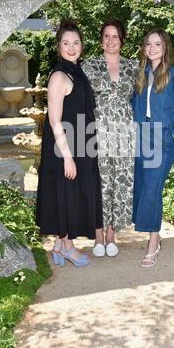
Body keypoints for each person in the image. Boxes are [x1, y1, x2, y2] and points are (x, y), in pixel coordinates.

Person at [36, 20, 103, 267]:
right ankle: (67, 247)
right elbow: (54, 121)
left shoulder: (77, 71)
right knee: (66, 195)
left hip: (81, 142)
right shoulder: (59, 76)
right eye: (66, 43)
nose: (71, 47)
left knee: (72, 195)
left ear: (82, 46)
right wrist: (67, 156)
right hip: (64, 146)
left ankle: (59, 245)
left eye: (76, 43)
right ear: (58, 46)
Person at [131, 29, 174, 268]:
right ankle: (155, 235)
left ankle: (152, 244)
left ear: (165, 47)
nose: (152, 48)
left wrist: (173, 132)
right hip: (141, 137)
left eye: (157, 44)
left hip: (162, 139)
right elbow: (133, 105)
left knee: (152, 188)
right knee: (142, 186)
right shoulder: (141, 74)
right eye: (148, 44)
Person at [83, 20, 138, 258]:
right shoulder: (88, 66)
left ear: (122, 40)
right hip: (97, 130)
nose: (110, 40)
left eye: (115, 36)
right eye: (106, 36)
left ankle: (113, 235)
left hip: (125, 131)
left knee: (120, 180)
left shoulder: (134, 66)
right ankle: (98, 236)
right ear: (100, 40)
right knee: (99, 182)